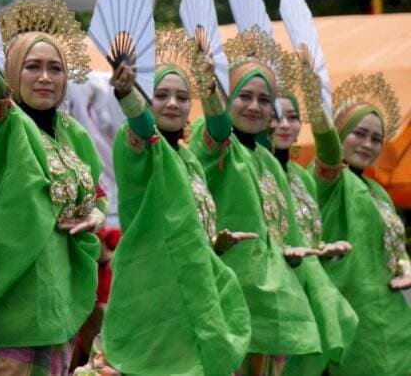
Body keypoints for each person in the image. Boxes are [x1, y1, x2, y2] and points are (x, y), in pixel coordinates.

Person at [0, 0, 106, 376]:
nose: (45, 78)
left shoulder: (74, 135)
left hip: (61, 297)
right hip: (12, 295)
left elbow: (95, 198)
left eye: (55, 69)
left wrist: (95, 218)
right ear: (12, 74)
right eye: (32, 67)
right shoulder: (5, 123)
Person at [101, 29, 254, 375]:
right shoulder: (137, 146)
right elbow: (142, 127)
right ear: (146, 99)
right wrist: (126, 94)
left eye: (183, 97)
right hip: (155, 287)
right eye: (161, 95)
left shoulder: (188, 157)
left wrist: (208, 84)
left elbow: (220, 129)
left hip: (197, 284)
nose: (172, 103)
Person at [190, 28, 322, 376]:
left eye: (265, 101)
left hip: (275, 301)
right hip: (228, 296)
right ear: (225, 97)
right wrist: (208, 87)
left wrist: (294, 252)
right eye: (243, 96)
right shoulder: (216, 144)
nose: (254, 106)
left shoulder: (269, 162)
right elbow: (217, 126)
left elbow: (288, 231)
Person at [298, 53, 411, 375]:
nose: (368, 144)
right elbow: (328, 154)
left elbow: (394, 248)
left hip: (394, 317)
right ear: (339, 132)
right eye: (359, 133)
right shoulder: (328, 180)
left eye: (376, 138)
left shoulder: (379, 192)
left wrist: (406, 268)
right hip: (352, 311)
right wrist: (317, 106)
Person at [269, 94, 359, 376]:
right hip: (272, 292)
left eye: (293, 117)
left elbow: (309, 237)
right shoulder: (251, 167)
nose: (285, 124)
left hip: (308, 290)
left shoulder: (302, 177)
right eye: (276, 115)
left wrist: (325, 251)